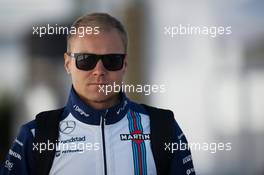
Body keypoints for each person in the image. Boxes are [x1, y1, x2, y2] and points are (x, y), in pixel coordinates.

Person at [0, 13, 195, 175]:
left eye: (111, 60)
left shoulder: (163, 128)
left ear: (125, 64)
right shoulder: (36, 136)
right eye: (86, 60)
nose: (99, 71)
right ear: (68, 63)